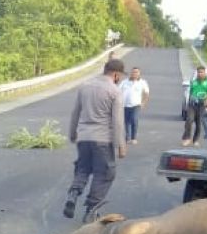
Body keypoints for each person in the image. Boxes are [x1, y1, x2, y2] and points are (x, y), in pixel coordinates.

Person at [63, 57, 126, 222]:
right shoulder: (114, 91)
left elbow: (75, 112)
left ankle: (73, 193)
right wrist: (120, 145)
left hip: (83, 137)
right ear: (116, 74)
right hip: (103, 139)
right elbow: (117, 121)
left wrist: (72, 133)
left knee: (83, 169)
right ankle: (91, 209)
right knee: (104, 174)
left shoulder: (85, 86)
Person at [182, 65, 207, 146]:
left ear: (204, 72)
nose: (200, 74)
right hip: (192, 105)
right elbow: (191, 92)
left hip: (202, 105)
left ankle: (195, 140)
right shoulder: (194, 81)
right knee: (189, 120)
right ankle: (187, 138)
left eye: (201, 72)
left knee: (199, 123)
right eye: (198, 72)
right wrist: (188, 102)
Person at [119, 66, 150, 144]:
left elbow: (146, 93)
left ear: (139, 74)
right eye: (133, 72)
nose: (134, 73)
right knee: (126, 122)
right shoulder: (124, 82)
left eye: (136, 72)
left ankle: (134, 138)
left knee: (134, 119)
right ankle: (128, 137)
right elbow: (118, 91)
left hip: (136, 105)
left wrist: (143, 103)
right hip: (125, 105)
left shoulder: (142, 82)